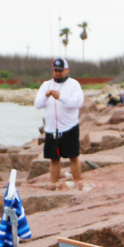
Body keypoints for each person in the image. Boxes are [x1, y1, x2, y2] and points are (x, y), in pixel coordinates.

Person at [34, 58, 85, 187]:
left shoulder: (74, 84)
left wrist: (61, 97)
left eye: (60, 70)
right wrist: (46, 95)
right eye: (55, 70)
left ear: (67, 70)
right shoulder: (46, 85)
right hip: (51, 130)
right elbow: (37, 104)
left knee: (73, 156)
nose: (58, 73)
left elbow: (78, 103)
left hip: (69, 128)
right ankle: (54, 185)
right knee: (54, 158)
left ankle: (77, 183)